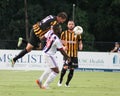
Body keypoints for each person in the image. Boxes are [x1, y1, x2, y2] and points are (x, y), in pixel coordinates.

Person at [36, 25, 70, 89]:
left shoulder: (50, 32)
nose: (61, 29)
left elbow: (42, 38)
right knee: (56, 71)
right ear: (57, 30)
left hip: (46, 52)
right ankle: (45, 85)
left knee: (51, 68)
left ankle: (40, 80)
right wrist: (68, 57)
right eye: (60, 28)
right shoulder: (56, 40)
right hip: (49, 55)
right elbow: (62, 51)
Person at [57, 20, 83, 87]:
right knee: (65, 67)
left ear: (74, 25)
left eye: (72, 24)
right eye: (69, 24)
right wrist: (63, 46)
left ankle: (67, 83)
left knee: (72, 69)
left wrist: (80, 46)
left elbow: (80, 42)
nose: (71, 25)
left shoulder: (78, 33)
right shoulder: (64, 33)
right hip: (66, 54)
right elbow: (60, 42)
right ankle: (60, 80)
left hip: (74, 54)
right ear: (67, 25)